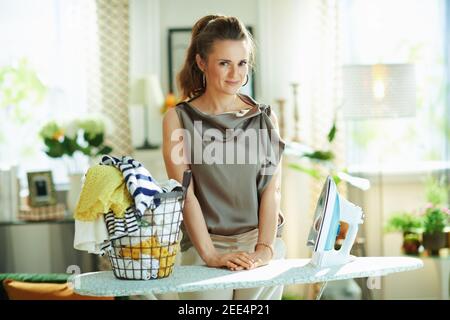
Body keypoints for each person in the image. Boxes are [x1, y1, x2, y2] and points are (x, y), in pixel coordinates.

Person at [162, 14, 286, 300]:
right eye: (224, 63)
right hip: (202, 246)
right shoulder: (178, 119)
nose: (236, 74)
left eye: (242, 63)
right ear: (201, 63)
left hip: (259, 241)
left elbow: (272, 190)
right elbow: (185, 194)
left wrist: (265, 251)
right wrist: (210, 255)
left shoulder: (264, 118)